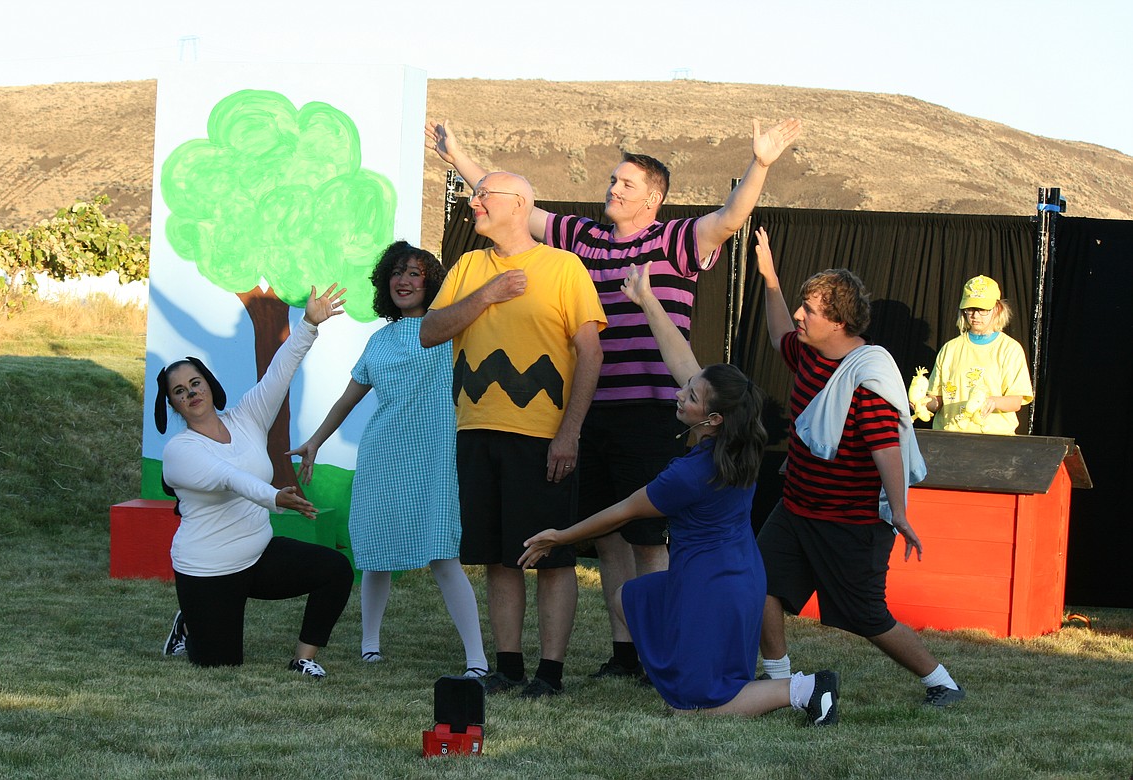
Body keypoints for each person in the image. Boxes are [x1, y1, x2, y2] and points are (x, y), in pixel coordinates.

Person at [426, 116, 802, 679]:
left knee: (649, 534)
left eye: (625, 183)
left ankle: (660, 650)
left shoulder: (676, 239)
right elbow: (511, 203)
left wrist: (762, 163)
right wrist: (459, 158)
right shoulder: (583, 239)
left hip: (654, 410)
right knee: (606, 539)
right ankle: (625, 651)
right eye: (611, 180)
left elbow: (731, 217)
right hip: (588, 410)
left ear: (653, 197)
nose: (613, 189)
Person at [518, 261, 839, 725]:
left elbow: (622, 512)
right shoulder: (739, 443)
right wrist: (648, 300)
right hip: (730, 578)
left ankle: (804, 688)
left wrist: (560, 537)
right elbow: (683, 361)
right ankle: (699, 667)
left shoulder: (690, 476)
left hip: (712, 589)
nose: (679, 394)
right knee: (636, 599)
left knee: (695, 709)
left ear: (712, 420)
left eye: (690, 397)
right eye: (687, 389)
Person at [752, 227, 966, 707]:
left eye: (811, 309)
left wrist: (901, 512)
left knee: (865, 616)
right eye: (802, 306)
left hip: (850, 523)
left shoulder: (867, 376)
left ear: (840, 321)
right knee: (760, 583)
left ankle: (940, 682)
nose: (801, 317)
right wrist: (770, 280)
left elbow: (886, 449)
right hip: (796, 508)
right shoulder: (809, 353)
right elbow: (777, 333)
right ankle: (781, 682)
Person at [420, 171, 606, 698]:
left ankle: (549, 674)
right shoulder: (469, 268)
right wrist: (487, 294)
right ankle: (508, 667)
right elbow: (431, 332)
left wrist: (569, 433)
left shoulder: (564, 266)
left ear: (519, 205)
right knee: (497, 556)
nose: (473, 202)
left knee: (549, 555)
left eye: (484, 195)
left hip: (542, 437)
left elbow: (591, 352)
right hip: (476, 431)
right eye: (475, 195)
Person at [287, 241, 488, 677]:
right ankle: (370, 646)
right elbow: (347, 400)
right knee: (375, 551)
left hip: (436, 455)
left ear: (430, 282)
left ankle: (477, 660)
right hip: (382, 456)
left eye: (415, 273)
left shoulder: (448, 329)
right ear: (385, 283)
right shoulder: (378, 342)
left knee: (443, 552)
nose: (404, 281)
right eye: (397, 273)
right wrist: (315, 441)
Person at [155, 283, 354, 678]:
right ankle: (190, 621)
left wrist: (309, 326)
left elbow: (278, 374)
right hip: (208, 568)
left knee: (335, 569)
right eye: (180, 391)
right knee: (221, 664)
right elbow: (229, 478)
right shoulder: (180, 451)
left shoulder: (246, 417)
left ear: (209, 383)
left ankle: (303, 658)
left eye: (195, 383)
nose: (191, 392)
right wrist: (275, 498)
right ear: (174, 404)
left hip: (258, 553)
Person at [918, 274, 1034, 434]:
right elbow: (938, 400)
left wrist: (992, 402)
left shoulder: (1009, 349)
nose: (975, 315)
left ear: (997, 309)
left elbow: (1016, 401)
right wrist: (921, 403)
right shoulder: (950, 348)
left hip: (994, 440)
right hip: (950, 438)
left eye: (982, 309)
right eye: (970, 309)